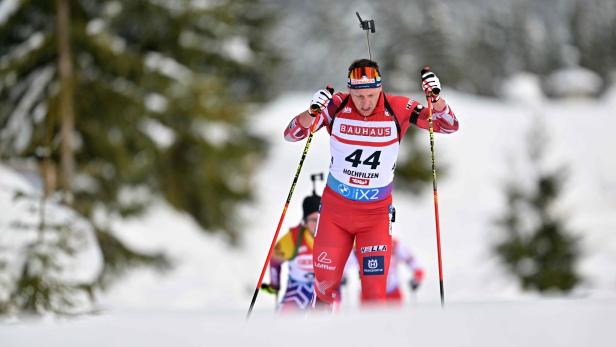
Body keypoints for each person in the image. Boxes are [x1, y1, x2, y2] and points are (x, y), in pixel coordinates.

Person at [282, 59, 459, 309]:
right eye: (359, 96)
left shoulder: (399, 107)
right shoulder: (336, 105)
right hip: (335, 212)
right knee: (324, 288)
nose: (365, 103)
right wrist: (311, 113)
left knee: (375, 295)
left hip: (374, 215)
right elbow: (292, 135)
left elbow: (448, 126)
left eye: (371, 95)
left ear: (380, 89)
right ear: (349, 91)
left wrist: (436, 100)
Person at [261, 193, 321, 311]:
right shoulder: (293, 238)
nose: (317, 224)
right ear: (305, 220)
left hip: (324, 290)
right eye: (313, 220)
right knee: (287, 313)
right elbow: (274, 260)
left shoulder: (333, 237)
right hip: (298, 287)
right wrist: (275, 285)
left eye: (321, 219)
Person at [343, 238, 425, 304]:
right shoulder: (359, 247)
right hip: (369, 296)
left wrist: (417, 276)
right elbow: (344, 264)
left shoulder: (394, 245)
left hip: (392, 294)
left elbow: (412, 260)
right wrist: (342, 276)